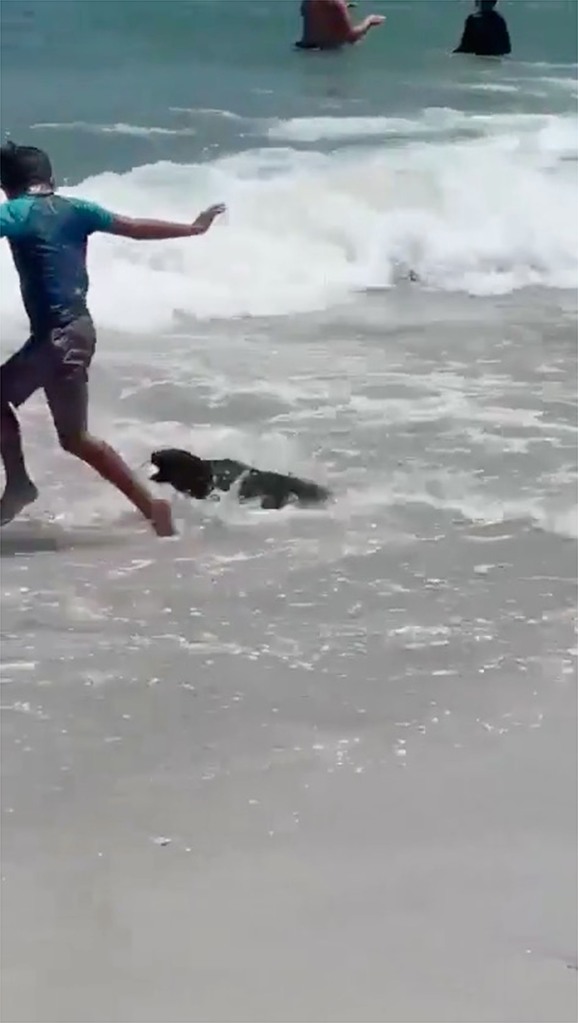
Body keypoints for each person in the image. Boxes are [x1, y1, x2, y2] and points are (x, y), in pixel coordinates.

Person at [0, 142, 225, 534]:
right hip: (79, 332)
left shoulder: (17, 212)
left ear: (8, 185)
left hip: (55, 337)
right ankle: (154, 507)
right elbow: (135, 227)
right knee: (76, 438)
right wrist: (193, 229)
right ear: (49, 178)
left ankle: (18, 484)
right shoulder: (78, 209)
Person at [296, 0, 385, 50]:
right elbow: (351, 37)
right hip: (326, 54)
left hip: (304, 49)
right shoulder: (337, 4)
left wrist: (342, 8)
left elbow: (322, 13)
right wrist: (369, 21)